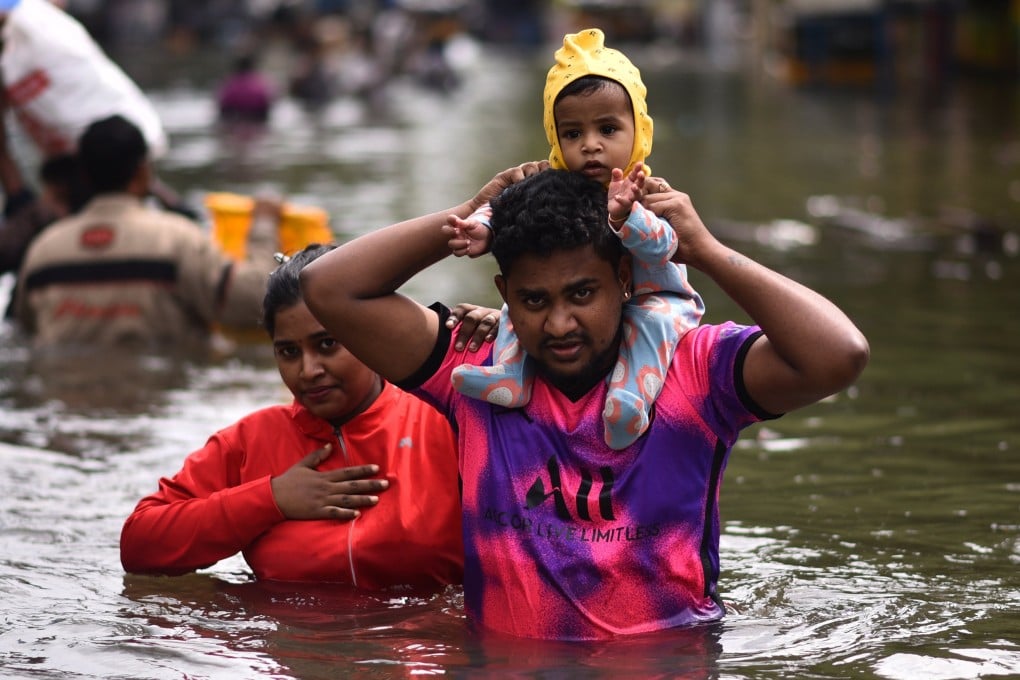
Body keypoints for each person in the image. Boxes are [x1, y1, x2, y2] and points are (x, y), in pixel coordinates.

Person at [298, 165, 869, 640]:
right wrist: (471, 211)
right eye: (533, 300)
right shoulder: (474, 376)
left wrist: (708, 252)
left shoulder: (693, 370)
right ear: (504, 296)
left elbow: (839, 354)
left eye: (581, 293)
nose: (559, 323)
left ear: (624, 277)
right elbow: (328, 288)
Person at [121, 244, 497, 589]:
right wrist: (271, 498)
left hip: (426, 654)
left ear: (368, 332)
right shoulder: (251, 440)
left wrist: (508, 337)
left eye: (327, 344)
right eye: (288, 352)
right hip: (296, 653)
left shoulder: (445, 415)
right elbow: (139, 546)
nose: (308, 370)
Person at [445, 28, 704, 449]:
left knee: (651, 324)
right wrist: (481, 225)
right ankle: (510, 375)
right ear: (555, 136)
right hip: (589, 308)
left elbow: (663, 246)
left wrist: (628, 216)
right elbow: (508, 207)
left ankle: (630, 399)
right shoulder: (553, 185)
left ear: (638, 131)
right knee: (526, 300)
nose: (590, 147)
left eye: (607, 129)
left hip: (657, 297)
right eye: (572, 134)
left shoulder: (652, 191)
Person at [13, 114, 278, 350]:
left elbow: (23, 329)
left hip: (64, 397)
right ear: (142, 172)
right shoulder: (177, 239)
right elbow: (255, 300)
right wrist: (263, 226)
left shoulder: (42, 251)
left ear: (82, 176)